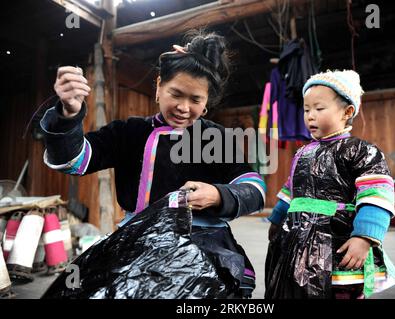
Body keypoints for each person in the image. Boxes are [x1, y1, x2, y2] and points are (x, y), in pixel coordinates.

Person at [39, 31, 266, 298]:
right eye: (176, 94)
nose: (183, 107)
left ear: (206, 104)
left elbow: (254, 187)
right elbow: (74, 161)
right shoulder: (129, 132)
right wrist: (69, 115)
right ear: (159, 87)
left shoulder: (216, 138)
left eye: (195, 100)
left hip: (204, 248)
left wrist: (219, 194)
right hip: (135, 241)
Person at [265, 69, 395, 299]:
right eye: (306, 109)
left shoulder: (361, 151)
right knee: (292, 289)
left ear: (347, 112)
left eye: (319, 109)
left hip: (335, 240)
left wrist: (364, 236)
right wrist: (277, 218)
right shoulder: (303, 153)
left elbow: (377, 194)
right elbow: (291, 190)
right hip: (295, 238)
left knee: (336, 291)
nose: (310, 116)